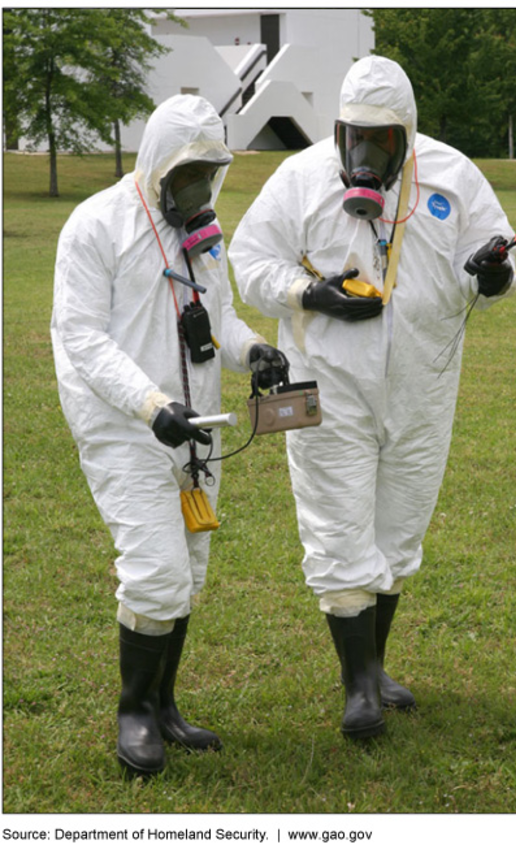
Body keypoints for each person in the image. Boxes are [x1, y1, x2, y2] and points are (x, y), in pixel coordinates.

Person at [229, 56, 516, 740]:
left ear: (407, 137)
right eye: (354, 136)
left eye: (382, 140)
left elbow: (499, 265)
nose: (365, 152)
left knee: (398, 529)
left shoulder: (452, 177)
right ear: (336, 132)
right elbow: (250, 262)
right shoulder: (299, 179)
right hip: (330, 389)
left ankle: (375, 661)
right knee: (337, 530)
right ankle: (358, 685)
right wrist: (311, 293)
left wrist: (497, 273)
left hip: (423, 391)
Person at [51, 94, 287, 776]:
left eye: (208, 174)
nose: (196, 188)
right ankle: (133, 710)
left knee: (187, 573)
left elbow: (220, 319)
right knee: (156, 572)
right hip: (126, 424)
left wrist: (256, 352)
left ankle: (165, 705)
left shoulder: (204, 233)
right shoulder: (97, 225)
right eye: (185, 173)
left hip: (196, 425)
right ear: (155, 160)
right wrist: (150, 402)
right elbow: (82, 338)